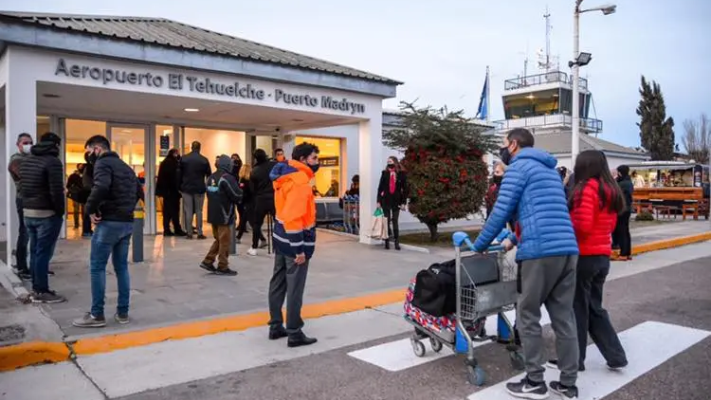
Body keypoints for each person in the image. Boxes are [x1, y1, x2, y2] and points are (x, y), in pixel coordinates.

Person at [473, 128, 580, 399]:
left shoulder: (518, 169)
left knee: (527, 315)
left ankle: (535, 381)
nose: (502, 150)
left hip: (539, 253)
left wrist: (479, 245)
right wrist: (512, 238)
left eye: (503, 144)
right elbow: (539, 214)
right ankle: (568, 384)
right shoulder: (548, 171)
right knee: (564, 317)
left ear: (513, 144)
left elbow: (501, 211)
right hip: (567, 249)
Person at [545, 150, 628, 375]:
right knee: (594, 308)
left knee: (577, 310)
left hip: (584, 256)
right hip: (602, 255)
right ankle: (616, 356)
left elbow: (582, 226)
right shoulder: (610, 189)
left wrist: (564, 225)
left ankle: (574, 359)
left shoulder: (586, 189)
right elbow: (609, 225)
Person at [73, 135, 144, 328]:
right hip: (127, 223)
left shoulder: (103, 164)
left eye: (89, 152)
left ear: (97, 149)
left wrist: (89, 209)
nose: (88, 157)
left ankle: (97, 315)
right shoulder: (126, 167)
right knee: (121, 267)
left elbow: (101, 186)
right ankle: (123, 313)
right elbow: (140, 192)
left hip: (109, 223)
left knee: (97, 267)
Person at [267, 142, 320, 347]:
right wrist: (299, 249)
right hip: (294, 243)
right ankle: (295, 332)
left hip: (280, 238)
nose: (317, 163)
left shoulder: (284, 176)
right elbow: (294, 218)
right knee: (295, 288)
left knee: (278, 282)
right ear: (303, 160)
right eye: (314, 158)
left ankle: (275, 325)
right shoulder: (300, 182)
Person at [19, 132, 66, 303]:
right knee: (43, 253)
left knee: (34, 251)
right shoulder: (53, 162)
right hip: (46, 214)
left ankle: (35, 288)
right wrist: (60, 212)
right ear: (55, 145)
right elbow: (56, 191)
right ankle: (41, 291)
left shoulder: (27, 160)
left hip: (28, 212)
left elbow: (22, 186)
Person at [199, 155, 242, 276]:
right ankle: (223, 266)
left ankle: (208, 261)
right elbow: (236, 195)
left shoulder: (210, 177)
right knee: (225, 241)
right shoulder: (227, 178)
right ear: (227, 165)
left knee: (219, 239)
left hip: (213, 213)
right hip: (225, 214)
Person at [8, 133, 34, 280]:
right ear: (18, 144)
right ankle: (22, 267)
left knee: (33, 234)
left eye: (30, 142)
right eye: (25, 142)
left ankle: (34, 266)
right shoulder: (16, 160)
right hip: (23, 200)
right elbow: (27, 177)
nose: (28, 145)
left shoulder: (30, 159)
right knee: (25, 233)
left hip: (34, 200)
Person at [179, 141, 211, 239]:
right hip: (200, 189)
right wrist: (206, 186)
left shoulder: (183, 159)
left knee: (188, 211)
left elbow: (178, 174)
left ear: (191, 147)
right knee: (199, 211)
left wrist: (180, 187)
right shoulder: (204, 160)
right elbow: (209, 175)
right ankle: (200, 232)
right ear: (199, 148)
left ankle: (189, 233)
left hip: (186, 188)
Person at [247, 149, 277, 256]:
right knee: (278, 223)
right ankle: (277, 247)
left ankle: (254, 247)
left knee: (257, 224)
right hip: (274, 197)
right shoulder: (274, 165)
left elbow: (252, 189)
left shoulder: (255, 170)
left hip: (261, 199)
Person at [377, 156, 408, 251]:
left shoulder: (401, 174)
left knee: (395, 220)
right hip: (385, 200)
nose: (388, 163)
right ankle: (386, 241)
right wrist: (378, 201)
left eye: (390, 161)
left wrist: (403, 202)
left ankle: (396, 242)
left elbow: (405, 189)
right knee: (386, 220)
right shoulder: (384, 173)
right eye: (387, 161)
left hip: (396, 200)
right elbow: (380, 188)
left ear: (395, 162)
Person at [156, 149, 185, 236]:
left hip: (165, 192)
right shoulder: (173, 163)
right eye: (177, 154)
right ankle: (177, 229)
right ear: (174, 154)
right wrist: (179, 189)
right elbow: (175, 178)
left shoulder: (164, 162)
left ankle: (166, 229)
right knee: (175, 210)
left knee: (167, 211)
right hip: (172, 192)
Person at [613, 165, 634, 261]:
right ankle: (628, 253)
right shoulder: (628, 182)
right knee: (625, 231)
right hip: (627, 209)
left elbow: (614, 192)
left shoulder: (622, 184)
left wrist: (614, 180)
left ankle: (623, 253)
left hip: (621, 209)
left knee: (621, 232)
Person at [236, 163, 254, 243]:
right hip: (249, 202)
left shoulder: (243, 180)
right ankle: (238, 237)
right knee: (247, 221)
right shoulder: (251, 180)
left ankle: (238, 237)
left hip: (245, 203)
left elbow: (243, 192)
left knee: (245, 220)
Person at [66, 164, 86, 230]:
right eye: (81, 167)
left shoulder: (85, 176)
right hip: (77, 195)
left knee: (82, 210)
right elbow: (68, 185)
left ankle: (83, 225)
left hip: (82, 195)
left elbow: (68, 186)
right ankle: (77, 224)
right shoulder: (73, 176)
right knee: (77, 210)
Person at [81, 151, 95, 237]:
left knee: (87, 212)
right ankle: (86, 231)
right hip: (90, 192)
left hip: (88, 192)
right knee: (88, 212)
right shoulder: (90, 167)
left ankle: (87, 230)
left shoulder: (87, 167)